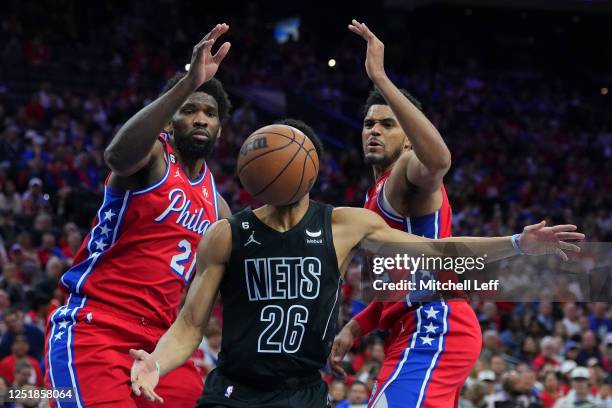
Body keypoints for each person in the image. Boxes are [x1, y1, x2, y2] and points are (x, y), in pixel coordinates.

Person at [129, 123, 583, 408]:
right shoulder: (226, 233)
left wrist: (518, 244)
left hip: (302, 391)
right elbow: (189, 326)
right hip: (233, 389)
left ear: (312, 169)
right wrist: (156, 364)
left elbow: (442, 252)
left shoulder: (345, 224)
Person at [44, 23, 232, 407]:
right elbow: (116, 156)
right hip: (98, 327)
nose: (200, 119)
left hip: (160, 347)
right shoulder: (152, 157)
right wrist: (187, 83)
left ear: (219, 128)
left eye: (209, 113)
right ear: (168, 120)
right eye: (189, 109)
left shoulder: (219, 206)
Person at [331, 20, 478, 408]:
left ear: (409, 137)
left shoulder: (407, 171)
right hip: (408, 328)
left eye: (387, 124)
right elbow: (398, 284)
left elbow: (439, 160)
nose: (374, 130)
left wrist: (380, 78)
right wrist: (356, 325)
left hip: (434, 322)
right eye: (368, 124)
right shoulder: (374, 193)